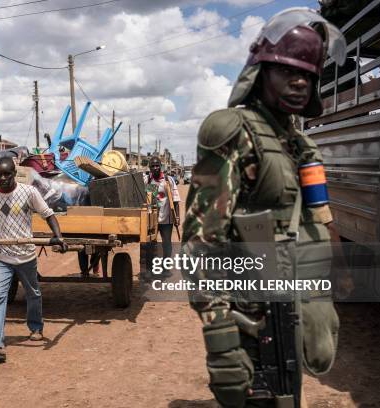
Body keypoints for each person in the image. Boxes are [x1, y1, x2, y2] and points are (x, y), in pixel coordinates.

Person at [182, 9, 345, 407]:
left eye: (308, 75)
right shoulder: (235, 133)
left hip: (295, 309)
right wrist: (222, 344)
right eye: (287, 71)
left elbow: (315, 218)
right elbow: (201, 244)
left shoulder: (300, 145)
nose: (299, 82)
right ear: (259, 72)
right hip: (254, 319)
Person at [0, 157, 68, 362]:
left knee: (33, 293)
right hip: (1, 257)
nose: (3, 178)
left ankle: (35, 327)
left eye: (7, 174)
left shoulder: (28, 192)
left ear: (14, 174)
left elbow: (48, 214)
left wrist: (58, 236)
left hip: (25, 256)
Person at [145, 156, 181, 260]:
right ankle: (149, 269)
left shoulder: (168, 180)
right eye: (153, 166)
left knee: (166, 243)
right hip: (151, 220)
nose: (155, 168)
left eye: (157, 165)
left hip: (166, 219)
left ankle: (165, 267)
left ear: (160, 166)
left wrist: (177, 217)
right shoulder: (147, 180)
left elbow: (176, 200)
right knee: (150, 244)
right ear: (150, 168)